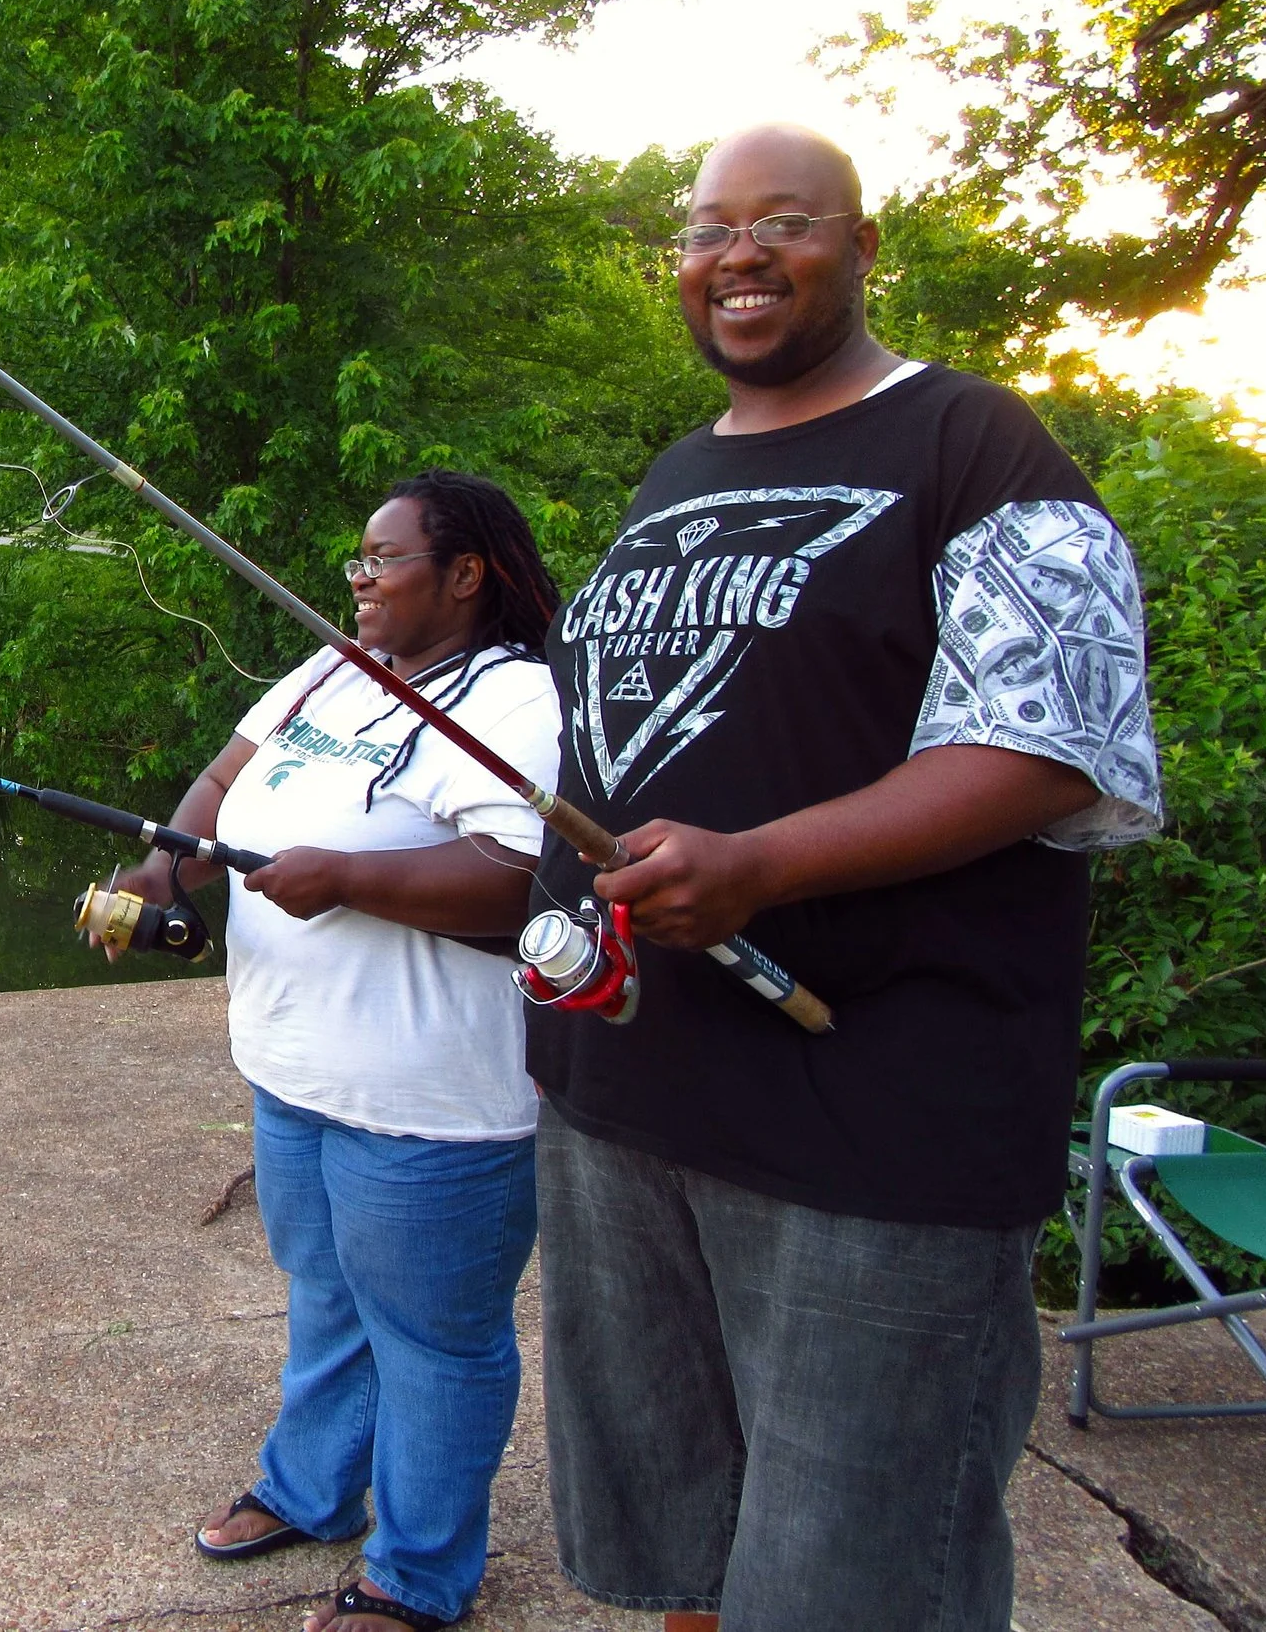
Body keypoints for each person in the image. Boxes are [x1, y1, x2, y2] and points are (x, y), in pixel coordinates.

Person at [528, 124, 1162, 1632]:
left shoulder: (974, 443)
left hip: (871, 1134)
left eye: (784, 224)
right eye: (705, 228)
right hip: (625, 1103)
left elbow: (1054, 742)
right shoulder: (680, 467)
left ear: (863, 249)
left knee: (860, 1577)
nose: (736, 254)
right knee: (686, 1548)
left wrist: (758, 866)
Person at [104, 470, 563, 1632]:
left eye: (383, 560)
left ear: (466, 575)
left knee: (436, 1343)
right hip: (292, 1073)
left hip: (432, 1103)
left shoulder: (516, 702)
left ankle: (417, 1577)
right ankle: (312, 1491)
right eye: (355, 562)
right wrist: (162, 868)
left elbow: (526, 885)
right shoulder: (328, 668)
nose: (357, 581)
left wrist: (349, 879)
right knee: (324, 1295)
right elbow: (218, 785)